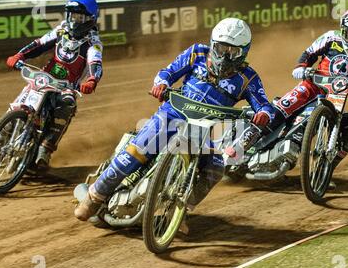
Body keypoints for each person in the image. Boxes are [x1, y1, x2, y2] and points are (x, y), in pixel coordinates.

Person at [74, 17, 274, 224]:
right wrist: (161, 83)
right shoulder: (197, 52)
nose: (225, 56)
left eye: (233, 52)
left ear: (244, 52)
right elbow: (167, 72)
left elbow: (265, 105)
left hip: (206, 130)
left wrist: (263, 114)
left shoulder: (248, 78)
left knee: (215, 168)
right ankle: (94, 196)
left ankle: (180, 212)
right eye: (221, 48)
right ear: (213, 43)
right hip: (172, 114)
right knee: (138, 149)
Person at [272, 6, 348, 188]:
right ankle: (251, 142)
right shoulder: (330, 37)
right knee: (282, 108)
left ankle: (323, 170)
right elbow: (309, 53)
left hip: (334, 101)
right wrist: (301, 66)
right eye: (347, 33)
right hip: (312, 86)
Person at [5, 0, 103, 169]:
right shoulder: (61, 30)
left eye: (79, 17)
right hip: (43, 78)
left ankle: (46, 148)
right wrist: (20, 55)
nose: (74, 21)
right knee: (16, 106)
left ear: (90, 19)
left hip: (67, 87)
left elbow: (95, 63)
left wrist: (92, 80)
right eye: (72, 15)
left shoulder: (93, 43)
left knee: (67, 104)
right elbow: (39, 44)